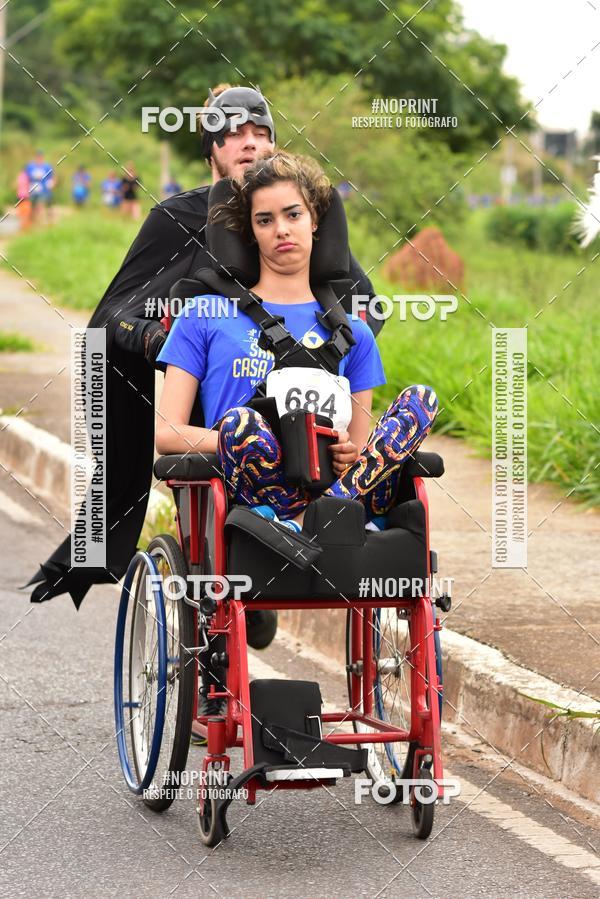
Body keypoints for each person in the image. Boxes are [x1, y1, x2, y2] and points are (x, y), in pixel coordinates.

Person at [25, 85, 381, 657]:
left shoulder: (295, 215)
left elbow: (365, 307)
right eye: (233, 135)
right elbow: (112, 316)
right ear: (211, 149)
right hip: (202, 403)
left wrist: (312, 354)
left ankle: (263, 568)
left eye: (260, 133)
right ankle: (214, 606)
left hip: (297, 403)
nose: (249, 144)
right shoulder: (177, 219)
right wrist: (162, 340)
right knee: (205, 504)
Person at [156, 152, 438, 716]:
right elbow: (167, 434)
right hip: (255, 490)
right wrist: (237, 439)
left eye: (293, 215)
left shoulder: (354, 333)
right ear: (250, 232)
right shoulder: (205, 315)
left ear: (316, 222)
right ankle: (294, 519)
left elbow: (362, 442)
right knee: (242, 423)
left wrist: (352, 453)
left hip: (341, 496)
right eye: (265, 220)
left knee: (421, 400)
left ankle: (321, 518)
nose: (281, 230)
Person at [25, 151, 55, 223]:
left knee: (43, 205)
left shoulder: (47, 166)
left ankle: (46, 221)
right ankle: (33, 221)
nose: (39, 158)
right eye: (37, 157)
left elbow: (53, 177)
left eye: (40, 157)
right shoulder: (30, 166)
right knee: (32, 206)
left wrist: (52, 184)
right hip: (33, 190)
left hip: (44, 190)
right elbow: (26, 177)